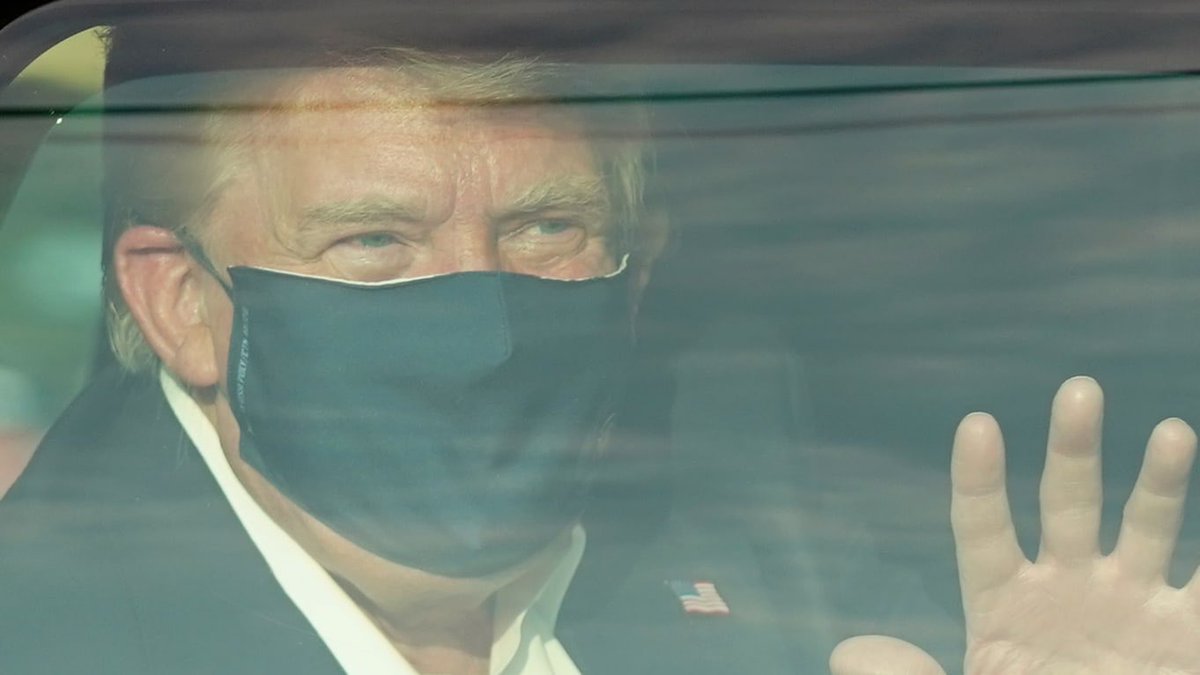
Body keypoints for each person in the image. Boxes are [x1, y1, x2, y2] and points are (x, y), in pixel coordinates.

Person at [2, 38, 1198, 675]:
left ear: (637, 274)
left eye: (546, 229)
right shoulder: (38, 629)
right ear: (181, 303)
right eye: (374, 243)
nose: (486, 325)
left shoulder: (782, 570)